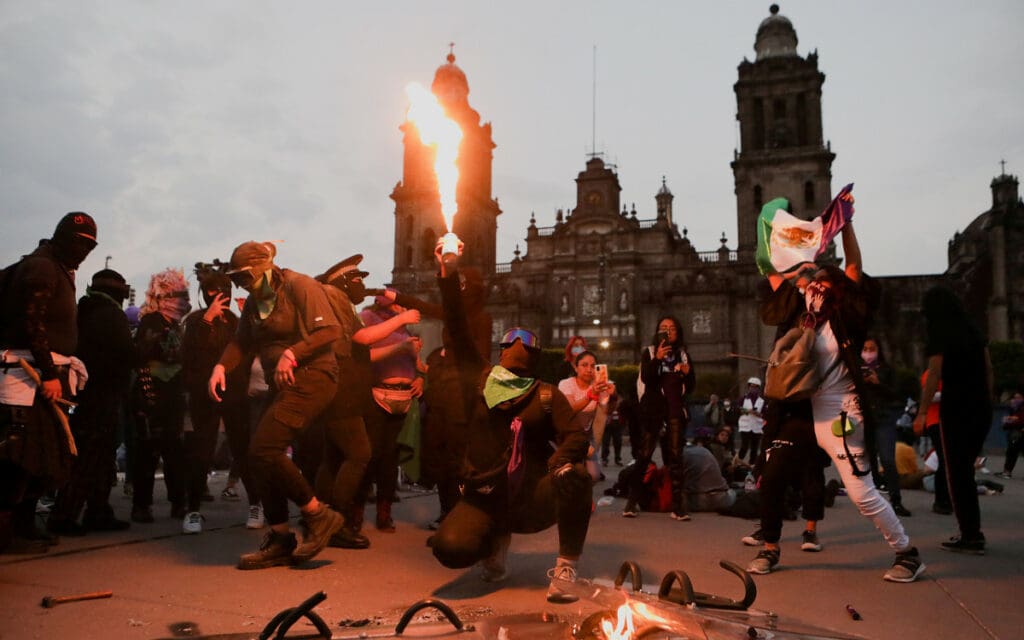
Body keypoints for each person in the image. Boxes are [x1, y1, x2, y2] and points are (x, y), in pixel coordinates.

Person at [748, 212, 924, 583]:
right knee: (773, 474)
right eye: (813, 279)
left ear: (839, 288)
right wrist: (772, 233)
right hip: (800, 410)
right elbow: (773, 267)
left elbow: (855, 265)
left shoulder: (849, 317)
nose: (816, 283)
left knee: (861, 493)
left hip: (840, 410)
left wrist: (846, 223)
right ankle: (770, 548)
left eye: (825, 279)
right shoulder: (800, 314)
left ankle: (907, 553)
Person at [427, 242, 591, 604]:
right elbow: (456, 324)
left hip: (531, 498)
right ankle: (493, 543)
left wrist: (560, 463)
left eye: (525, 341)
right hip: (484, 496)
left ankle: (566, 567)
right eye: (509, 340)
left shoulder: (547, 394)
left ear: (536, 355)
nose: (516, 343)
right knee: (449, 548)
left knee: (578, 477)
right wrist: (448, 273)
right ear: (500, 352)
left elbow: (577, 436)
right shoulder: (480, 378)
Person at [208, 241, 344, 569]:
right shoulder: (256, 302)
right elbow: (241, 341)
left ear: (262, 268)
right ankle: (281, 538)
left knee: (264, 449)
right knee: (258, 458)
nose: (242, 284)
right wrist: (221, 366)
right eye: (236, 279)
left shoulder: (300, 286)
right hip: (282, 382)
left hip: (314, 376)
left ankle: (318, 515)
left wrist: (292, 353)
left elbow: (330, 330)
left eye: (244, 276)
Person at [0, 212, 98, 552]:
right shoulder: (42, 267)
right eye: (80, 243)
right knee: (19, 460)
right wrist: (50, 374)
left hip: (42, 375)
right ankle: (6, 533)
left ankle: (24, 525)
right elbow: (33, 323)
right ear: (62, 238)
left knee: (42, 460)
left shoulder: (55, 266)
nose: (84, 251)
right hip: (29, 378)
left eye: (90, 246)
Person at [47, 269, 134, 535]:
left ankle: (97, 511)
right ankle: (66, 515)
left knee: (94, 457)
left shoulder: (82, 311)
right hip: (104, 395)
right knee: (93, 458)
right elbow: (127, 354)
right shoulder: (111, 315)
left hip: (83, 393)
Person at [912, 286, 993, 555]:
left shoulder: (940, 334)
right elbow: (988, 369)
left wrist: (922, 412)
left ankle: (971, 534)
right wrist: (987, 399)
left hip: (956, 407)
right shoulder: (974, 331)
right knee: (965, 470)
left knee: (957, 473)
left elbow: (934, 374)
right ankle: (972, 532)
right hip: (980, 406)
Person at [180, 264, 251, 534]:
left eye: (226, 290)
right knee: (202, 450)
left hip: (235, 393)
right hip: (204, 394)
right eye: (216, 290)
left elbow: (244, 352)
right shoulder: (196, 320)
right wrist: (207, 321)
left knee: (242, 448)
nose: (222, 295)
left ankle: (256, 503)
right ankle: (192, 509)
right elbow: (189, 355)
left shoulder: (234, 322)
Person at [356, 294, 424, 533]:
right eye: (398, 302)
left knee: (390, 459)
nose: (402, 306)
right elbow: (362, 353)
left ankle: (384, 512)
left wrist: (420, 378)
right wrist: (400, 346)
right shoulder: (368, 317)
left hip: (403, 399)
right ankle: (356, 512)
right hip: (377, 396)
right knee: (370, 455)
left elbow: (415, 364)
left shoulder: (405, 328)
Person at [130, 268, 190, 525]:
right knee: (148, 452)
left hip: (172, 394)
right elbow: (144, 356)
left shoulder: (174, 324)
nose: (184, 301)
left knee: (174, 452)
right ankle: (142, 505)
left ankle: (178, 502)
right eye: (179, 296)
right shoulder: (151, 322)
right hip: (151, 394)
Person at [624, 316, 695, 521]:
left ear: (678, 333)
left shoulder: (683, 355)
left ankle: (678, 507)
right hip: (653, 412)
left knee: (676, 458)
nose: (668, 331)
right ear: (657, 332)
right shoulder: (649, 352)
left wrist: (687, 373)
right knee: (644, 456)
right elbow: (646, 377)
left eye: (672, 328)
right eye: (664, 328)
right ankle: (632, 502)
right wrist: (657, 359)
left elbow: (691, 386)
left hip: (674, 412)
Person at [860, 337, 910, 516]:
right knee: (865, 460)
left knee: (887, 459)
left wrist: (878, 383)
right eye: (865, 348)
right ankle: (870, 499)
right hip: (863, 419)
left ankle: (896, 500)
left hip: (883, 418)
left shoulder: (887, 370)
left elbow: (897, 395)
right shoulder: (855, 370)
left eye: (872, 348)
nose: (868, 352)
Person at [558, 350, 615, 481]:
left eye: (593, 366)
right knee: (566, 474)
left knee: (594, 476)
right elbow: (570, 410)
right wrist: (590, 395)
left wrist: (613, 396)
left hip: (585, 435)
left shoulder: (598, 385)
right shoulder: (566, 384)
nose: (589, 369)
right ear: (576, 367)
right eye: (584, 365)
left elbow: (606, 410)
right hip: (565, 435)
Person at [737, 378, 765, 465]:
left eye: (755, 387)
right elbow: (738, 409)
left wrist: (758, 414)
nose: (753, 388)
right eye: (751, 386)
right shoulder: (743, 399)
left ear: (758, 388)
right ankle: (737, 462)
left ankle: (752, 465)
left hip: (756, 427)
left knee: (754, 448)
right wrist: (748, 411)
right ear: (749, 387)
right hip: (745, 426)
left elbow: (765, 414)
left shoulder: (762, 401)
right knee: (744, 446)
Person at [996, 392, 1023, 478]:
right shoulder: (1014, 408)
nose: (1016, 400)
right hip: (1015, 433)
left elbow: (1020, 420)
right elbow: (1012, 421)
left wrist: (1011, 421)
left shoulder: (1021, 408)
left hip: (1019, 433)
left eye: (1018, 398)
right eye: (1015, 398)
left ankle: (1007, 471)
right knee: (1011, 453)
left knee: (1012, 453)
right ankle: (1007, 471)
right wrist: (1008, 422)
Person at [600, 392, 625, 467]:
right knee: (606, 442)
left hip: (617, 424)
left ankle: (617, 459)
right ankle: (604, 459)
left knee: (618, 442)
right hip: (607, 425)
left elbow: (622, 407)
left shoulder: (619, 399)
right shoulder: (605, 399)